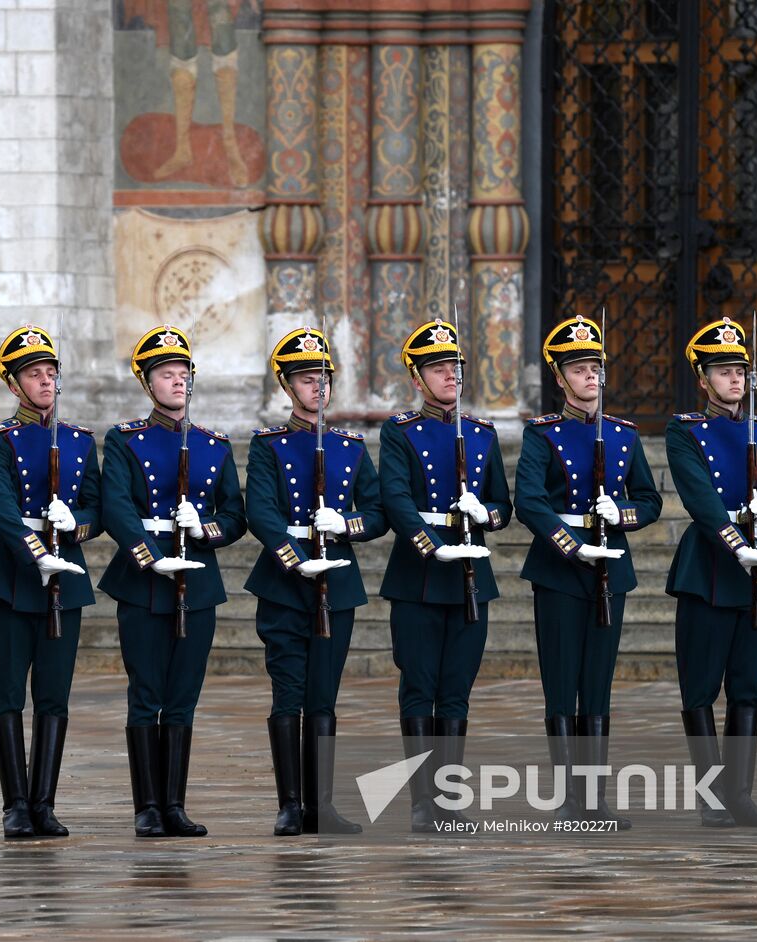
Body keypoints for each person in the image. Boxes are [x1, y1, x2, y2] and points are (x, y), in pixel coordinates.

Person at [515, 314, 661, 829]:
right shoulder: (542, 435)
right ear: (560, 378)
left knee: (597, 685)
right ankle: (568, 798)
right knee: (561, 684)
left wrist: (618, 515)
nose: (591, 377)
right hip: (560, 571)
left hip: (610, 570)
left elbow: (650, 500)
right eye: (579, 369)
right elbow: (529, 501)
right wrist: (572, 545)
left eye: (595, 367)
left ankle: (594, 797)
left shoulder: (622, 435)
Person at [99, 325, 246, 837]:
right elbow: (116, 505)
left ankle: (174, 804)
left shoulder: (214, 444)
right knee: (146, 692)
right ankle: (146, 807)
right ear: (147, 382)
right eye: (166, 373)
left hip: (197, 580)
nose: (178, 381)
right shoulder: (124, 440)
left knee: (183, 694)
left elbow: (234, 514)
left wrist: (203, 529)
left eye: (184, 373)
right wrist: (148, 556)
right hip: (142, 581)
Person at [244, 327, 386, 836]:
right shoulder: (268, 446)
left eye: (324, 378)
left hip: (337, 585)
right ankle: (289, 804)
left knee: (323, 696)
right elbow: (259, 510)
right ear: (287, 386)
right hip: (285, 585)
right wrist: (294, 556)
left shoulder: (350, 446)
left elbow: (375, 513)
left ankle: (321, 805)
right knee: (289, 693)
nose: (318, 388)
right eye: (306, 379)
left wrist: (344, 525)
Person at [378, 318, 511, 833]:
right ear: (417, 377)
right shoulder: (400, 432)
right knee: (419, 687)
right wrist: (431, 547)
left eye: (454, 366)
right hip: (419, 575)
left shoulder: (480, 434)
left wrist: (485, 516)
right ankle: (420, 802)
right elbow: (395, 497)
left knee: (456, 690)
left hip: (471, 574)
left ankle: (447, 798)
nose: (450, 374)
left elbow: (503, 502)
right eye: (438, 368)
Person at [666, 317, 757, 828]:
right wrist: (737, 540)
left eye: (740, 370)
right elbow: (700, 499)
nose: (735, 379)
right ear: (703, 379)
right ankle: (710, 797)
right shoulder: (685, 430)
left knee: (747, 688)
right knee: (700, 689)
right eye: (722, 371)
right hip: (710, 570)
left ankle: (739, 795)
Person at [0, 325, 95, 839]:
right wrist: (36, 551)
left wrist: (74, 525)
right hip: (12, 581)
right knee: (7, 696)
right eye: (33, 374)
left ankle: (44, 802)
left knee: (53, 696)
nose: (45, 382)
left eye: (50, 373)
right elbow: (0, 508)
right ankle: (14, 803)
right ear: (13, 384)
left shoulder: (80, 441)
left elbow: (96, 507)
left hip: (65, 582)